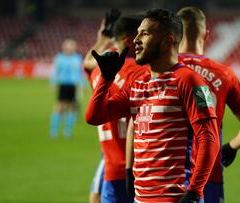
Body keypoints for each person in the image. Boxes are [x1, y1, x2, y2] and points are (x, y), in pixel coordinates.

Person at [86, 8, 220, 203]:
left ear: (168, 40)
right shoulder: (139, 83)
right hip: (141, 198)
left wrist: (195, 191)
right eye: (137, 33)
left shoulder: (190, 81)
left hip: (176, 197)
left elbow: (209, 137)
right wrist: (106, 80)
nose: (136, 40)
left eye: (145, 33)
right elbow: (94, 117)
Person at [177, 7, 240, 203]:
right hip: (208, 174)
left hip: (166, 172)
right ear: (206, 35)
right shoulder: (224, 74)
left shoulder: (161, 70)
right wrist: (231, 147)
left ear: (176, 34)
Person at [83, 13, 149, 203]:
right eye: (141, 35)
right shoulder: (141, 72)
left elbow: (87, 64)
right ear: (130, 39)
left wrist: (101, 40)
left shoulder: (99, 70)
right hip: (137, 164)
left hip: (110, 163)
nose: (142, 40)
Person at [49, 38, 84, 139]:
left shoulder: (77, 58)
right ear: (64, 47)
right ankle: (53, 131)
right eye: (69, 45)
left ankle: (67, 132)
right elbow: (55, 71)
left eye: (72, 45)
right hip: (63, 85)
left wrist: (83, 84)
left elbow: (80, 72)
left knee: (72, 108)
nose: (71, 47)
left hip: (73, 85)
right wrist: (53, 83)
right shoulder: (59, 58)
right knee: (59, 107)